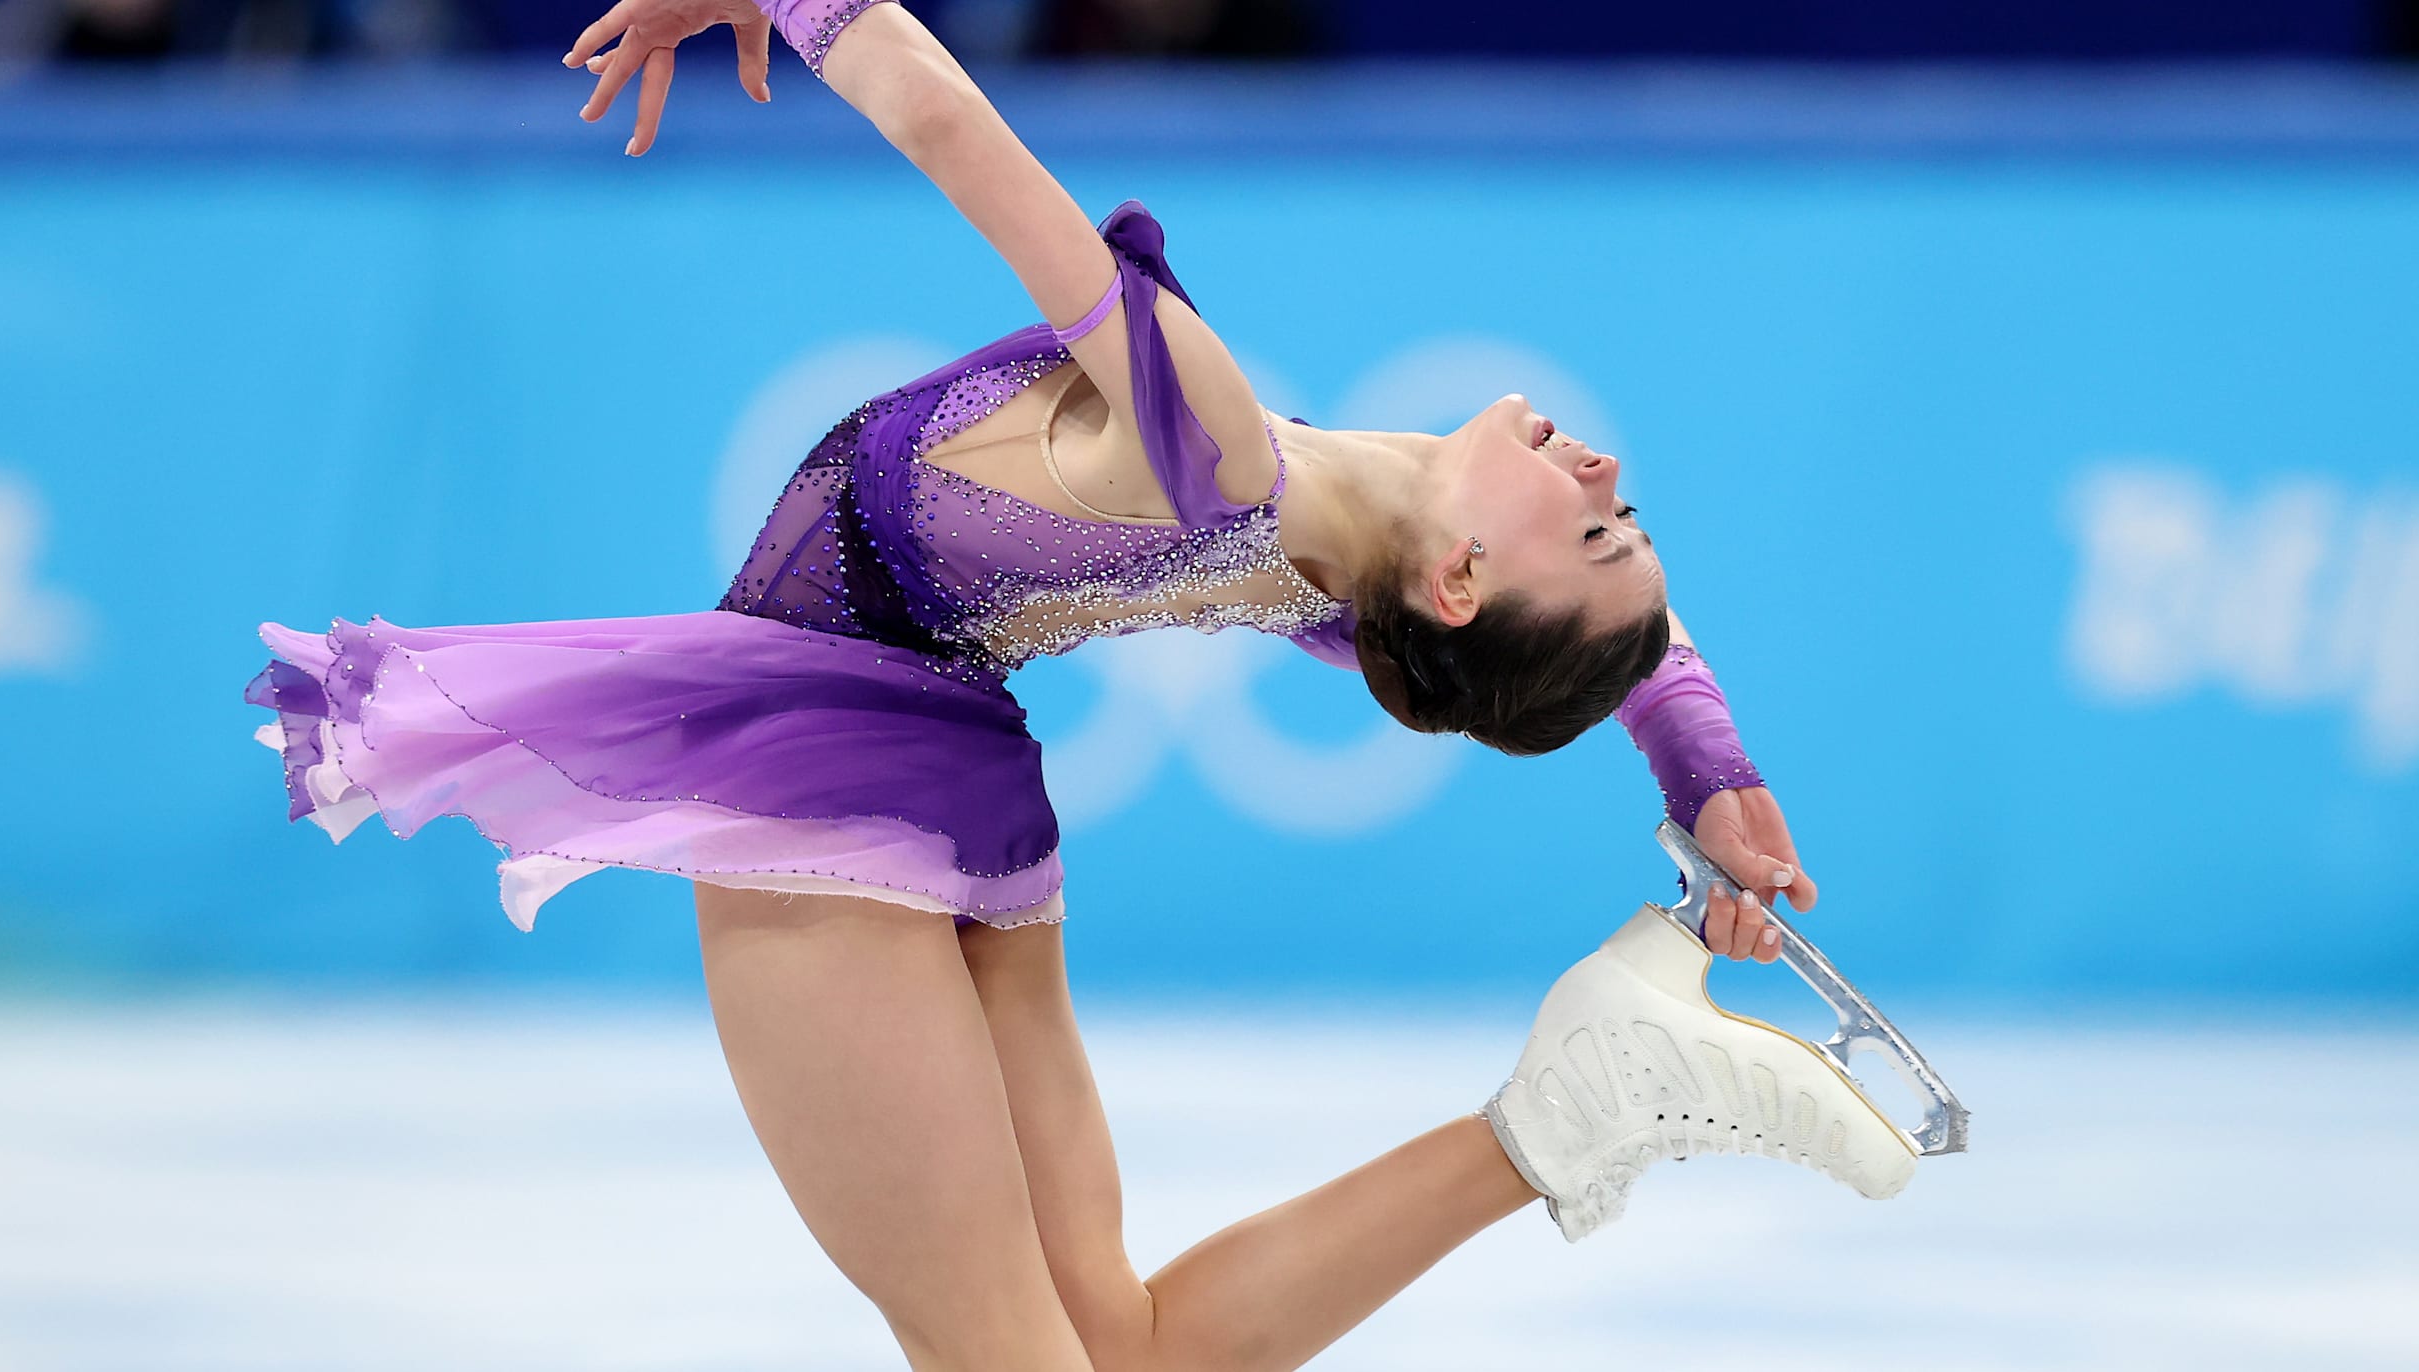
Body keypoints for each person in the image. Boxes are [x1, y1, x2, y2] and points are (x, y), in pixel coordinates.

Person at [244, 3, 1895, 1367]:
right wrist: (1703, 766)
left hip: (824, 777)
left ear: (1463, 578)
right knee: (1118, 1348)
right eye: (1623, 511)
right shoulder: (1356, 573)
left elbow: (956, 127)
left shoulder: (1229, 447)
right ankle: (1554, 1120)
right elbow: (1632, 648)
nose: (1604, 463)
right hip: (948, 761)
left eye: (1596, 520)